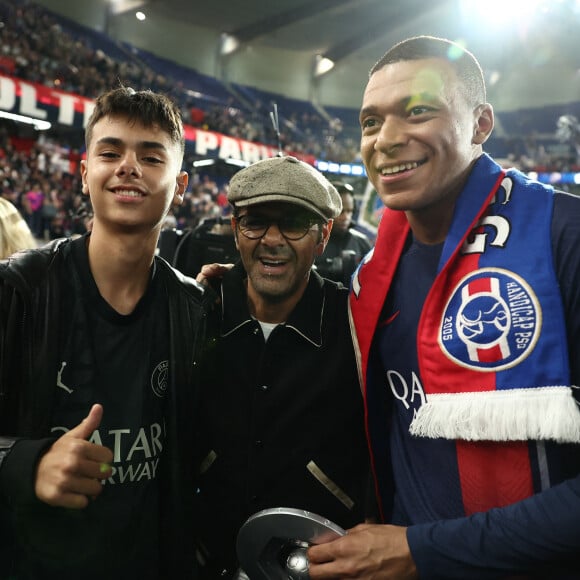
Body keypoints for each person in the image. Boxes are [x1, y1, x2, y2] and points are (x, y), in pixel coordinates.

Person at [308, 35, 580, 578]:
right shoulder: (369, 277)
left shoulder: (565, 236)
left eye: (418, 111)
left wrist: (421, 550)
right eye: (369, 122)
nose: (385, 140)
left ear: (481, 124)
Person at [0, 86, 216, 580]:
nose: (128, 167)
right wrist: (27, 464)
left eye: (150, 156)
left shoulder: (194, 309)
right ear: (84, 174)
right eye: (110, 152)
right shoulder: (16, 292)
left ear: (180, 185)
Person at [193, 155, 370, 578]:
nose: (272, 239)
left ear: (324, 235)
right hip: (203, 557)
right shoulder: (197, 312)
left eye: (293, 223)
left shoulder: (356, 324)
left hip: (321, 564)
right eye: (255, 222)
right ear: (236, 230)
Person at [314, 181, 372, 286]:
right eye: (341, 211)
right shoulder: (313, 241)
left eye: (349, 211)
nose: (346, 217)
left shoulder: (362, 242)